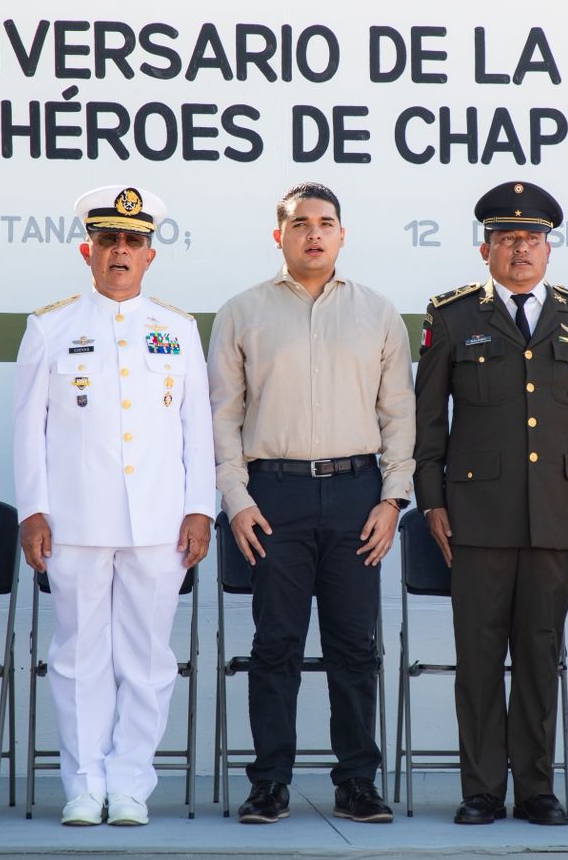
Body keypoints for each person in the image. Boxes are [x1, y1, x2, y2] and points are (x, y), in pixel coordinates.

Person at [208, 181, 413, 826]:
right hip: (274, 496)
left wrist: (392, 498)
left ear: (342, 235)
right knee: (276, 645)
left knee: (355, 645)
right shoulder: (241, 312)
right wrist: (237, 500)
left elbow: (398, 415)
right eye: (300, 223)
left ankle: (357, 782)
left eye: (326, 223)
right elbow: (223, 416)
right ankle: (269, 782)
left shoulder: (379, 313)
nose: (314, 233)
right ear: (281, 235)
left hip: (357, 495)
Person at [14, 185, 216, 828]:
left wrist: (198, 508)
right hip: (75, 519)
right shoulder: (51, 326)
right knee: (77, 658)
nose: (120, 251)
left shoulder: (177, 329)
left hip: (159, 521)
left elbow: (197, 431)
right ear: (88, 251)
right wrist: (33, 510)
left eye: (132, 241)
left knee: (148, 659)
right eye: (109, 241)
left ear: (150, 255)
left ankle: (130, 783)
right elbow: (27, 429)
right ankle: (82, 784)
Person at [414, 180, 568, 827]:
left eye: (531, 240)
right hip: (476, 518)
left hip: (555, 515)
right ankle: (481, 791)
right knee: (477, 659)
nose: (520, 250)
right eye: (506, 240)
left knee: (539, 656)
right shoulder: (452, 317)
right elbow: (428, 425)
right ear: (485, 249)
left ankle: (536, 789)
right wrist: (432, 502)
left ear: (549, 249)